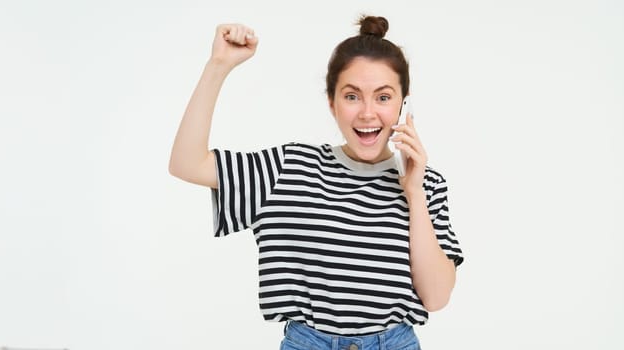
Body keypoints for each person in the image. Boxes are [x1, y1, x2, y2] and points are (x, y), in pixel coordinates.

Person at [169, 15, 463, 350]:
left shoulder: (427, 185)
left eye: (383, 97)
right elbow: (186, 163)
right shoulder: (290, 168)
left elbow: (437, 297)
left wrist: (414, 193)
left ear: (403, 104)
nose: (368, 113)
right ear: (332, 102)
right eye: (352, 96)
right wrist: (218, 65)